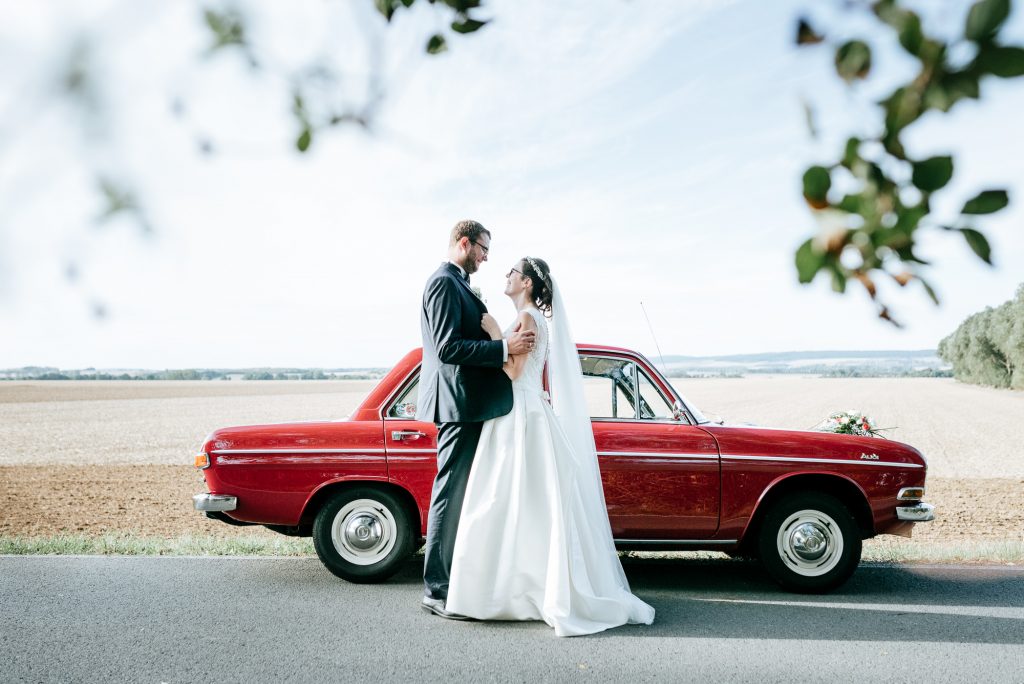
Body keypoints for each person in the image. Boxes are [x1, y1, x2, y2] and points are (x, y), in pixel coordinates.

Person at [445, 256, 655, 636]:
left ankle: (510, 590)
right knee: (527, 504)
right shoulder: (531, 319)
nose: (505, 275)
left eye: (512, 272)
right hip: (523, 412)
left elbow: (514, 372)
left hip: (519, 415)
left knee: (508, 501)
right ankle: (523, 586)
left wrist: (495, 334)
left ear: (526, 283)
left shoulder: (525, 320)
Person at [417, 220, 537, 619]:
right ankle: (437, 589)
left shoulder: (461, 284)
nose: (487, 257)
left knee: (461, 494)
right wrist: (504, 347)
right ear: (464, 242)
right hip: (457, 405)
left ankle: (458, 579)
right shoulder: (443, 283)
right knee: (449, 494)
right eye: (484, 249)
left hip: (472, 405)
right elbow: (448, 347)